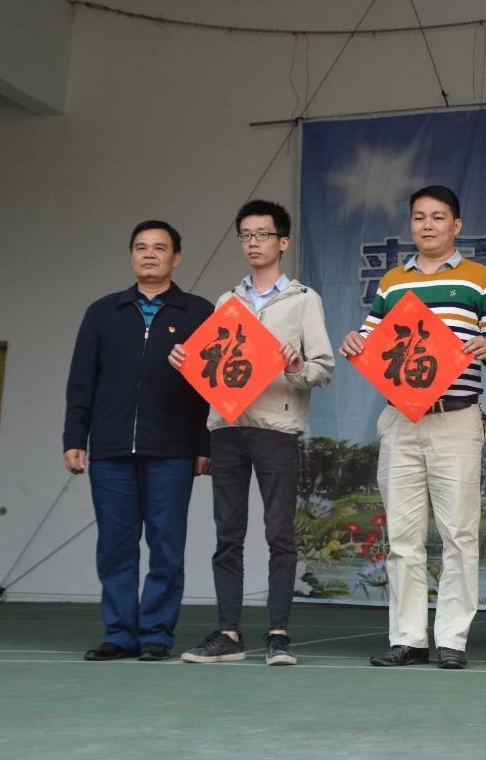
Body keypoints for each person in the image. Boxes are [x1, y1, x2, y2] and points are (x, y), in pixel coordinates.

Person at [339, 185, 486, 670]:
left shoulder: (477, 278)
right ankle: (408, 638)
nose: (427, 225)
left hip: (456, 417)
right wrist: (355, 341)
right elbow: (372, 337)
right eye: (419, 217)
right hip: (401, 418)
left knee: (459, 533)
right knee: (402, 536)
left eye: (438, 217)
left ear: (457, 225)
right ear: (410, 224)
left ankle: (452, 639)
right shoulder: (393, 281)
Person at [171, 200, 334, 666]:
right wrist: (185, 361)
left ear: (283, 241)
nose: (253, 243)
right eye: (245, 235)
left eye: (262, 235)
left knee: (279, 532)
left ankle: (278, 633)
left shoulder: (303, 299)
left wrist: (296, 366)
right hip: (227, 428)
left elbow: (323, 368)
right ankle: (228, 632)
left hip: (276, 429)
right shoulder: (228, 301)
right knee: (228, 533)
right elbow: (215, 367)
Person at [64, 220, 214, 662]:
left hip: (172, 450)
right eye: (141, 247)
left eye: (159, 248)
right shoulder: (103, 312)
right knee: (115, 546)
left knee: (166, 546)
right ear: (131, 256)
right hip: (110, 450)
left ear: (176, 258)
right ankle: (119, 634)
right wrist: (75, 436)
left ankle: (156, 635)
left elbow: (211, 387)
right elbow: (81, 380)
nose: (149, 254)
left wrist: (204, 444)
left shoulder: (198, 312)